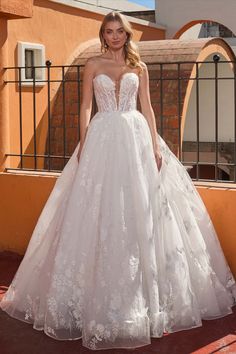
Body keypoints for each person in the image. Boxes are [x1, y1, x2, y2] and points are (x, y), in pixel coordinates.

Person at [0, 11, 236, 351]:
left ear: (126, 35)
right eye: (109, 32)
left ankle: (146, 300)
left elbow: (149, 109)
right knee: (97, 212)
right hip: (101, 138)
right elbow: (85, 107)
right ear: (103, 34)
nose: (114, 36)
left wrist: (155, 147)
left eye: (119, 32)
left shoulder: (139, 67)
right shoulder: (92, 65)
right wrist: (83, 143)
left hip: (136, 138)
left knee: (140, 211)